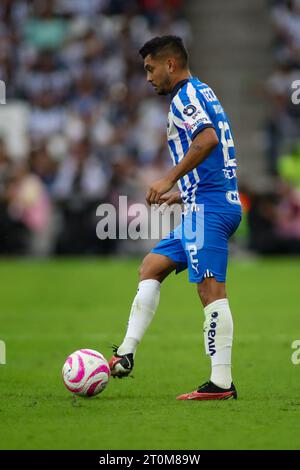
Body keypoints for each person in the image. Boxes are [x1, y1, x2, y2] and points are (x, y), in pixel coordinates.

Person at [109, 35, 242, 400]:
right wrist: (182, 193)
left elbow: (209, 139)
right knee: (151, 267)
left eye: (151, 69)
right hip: (205, 202)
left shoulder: (185, 97)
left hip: (209, 209)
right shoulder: (202, 91)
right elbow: (218, 155)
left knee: (210, 288)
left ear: (170, 64)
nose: (148, 77)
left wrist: (171, 177)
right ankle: (125, 354)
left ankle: (221, 383)